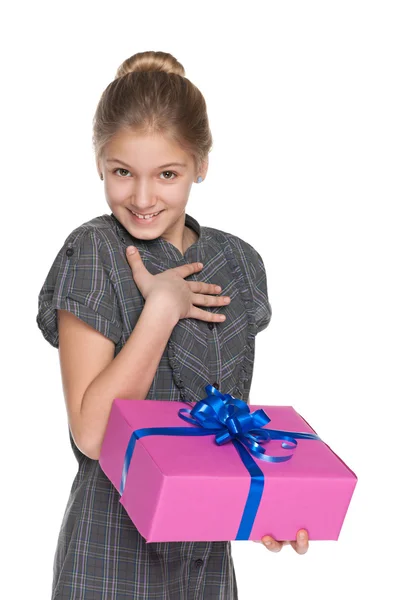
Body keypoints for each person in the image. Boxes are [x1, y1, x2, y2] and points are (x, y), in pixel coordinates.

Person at [36, 50, 308, 600]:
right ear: (99, 162)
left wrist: (265, 506)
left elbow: (222, 429)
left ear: (200, 165)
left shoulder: (238, 263)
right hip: (112, 558)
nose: (140, 198)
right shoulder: (94, 251)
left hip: (206, 558)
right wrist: (160, 309)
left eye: (167, 174)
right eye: (121, 173)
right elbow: (92, 433)